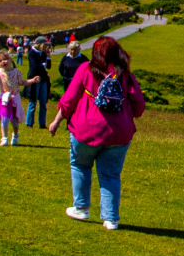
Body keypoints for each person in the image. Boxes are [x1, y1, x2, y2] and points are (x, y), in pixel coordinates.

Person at [50, 35, 146, 230]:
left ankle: (81, 207)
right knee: (110, 174)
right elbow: (139, 106)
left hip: (85, 129)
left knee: (80, 165)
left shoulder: (85, 69)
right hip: (118, 133)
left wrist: (57, 121)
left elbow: (69, 99)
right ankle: (111, 219)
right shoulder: (125, 74)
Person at [0, 51, 30, 146]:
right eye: (1, 61)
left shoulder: (16, 72)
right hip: (4, 99)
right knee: (4, 118)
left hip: (14, 99)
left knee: (14, 121)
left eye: (5, 59)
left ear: (10, 60)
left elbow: (22, 82)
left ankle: (15, 135)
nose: (3, 62)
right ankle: (4, 138)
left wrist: (32, 81)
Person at [24, 36, 52, 129]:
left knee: (43, 102)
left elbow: (48, 67)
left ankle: (42, 123)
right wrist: (43, 65)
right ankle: (29, 123)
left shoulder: (43, 53)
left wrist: (48, 57)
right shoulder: (32, 53)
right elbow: (34, 66)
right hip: (34, 79)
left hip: (43, 79)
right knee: (33, 101)